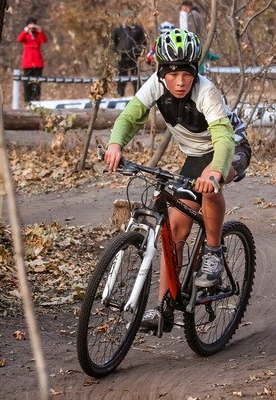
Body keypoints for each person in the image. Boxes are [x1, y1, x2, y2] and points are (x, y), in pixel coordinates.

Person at [104, 29, 251, 334]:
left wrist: (215, 172)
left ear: (195, 72)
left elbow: (223, 138)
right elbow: (131, 117)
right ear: (162, 72)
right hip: (196, 155)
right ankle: (162, 309)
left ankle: (213, 253)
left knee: (210, 187)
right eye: (173, 75)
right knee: (175, 229)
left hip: (229, 146)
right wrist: (116, 144)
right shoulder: (155, 85)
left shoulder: (206, 91)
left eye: (186, 74)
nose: (180, 81)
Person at [111, 10, 148, 97]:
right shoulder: (119, 30)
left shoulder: (138, 29)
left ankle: (138, 96)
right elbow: (113, 43)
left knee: (136, 78)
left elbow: (143, 42)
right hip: (122, 57)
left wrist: (140, 54)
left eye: (131, 17)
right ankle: (120, 95)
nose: (129, 19)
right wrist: (117, 52)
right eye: (128, 17)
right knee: (121, 77)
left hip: (134, 57)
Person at [17, 17, 48, 104]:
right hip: (27, 62)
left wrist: (40, 31)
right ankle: (27, 102)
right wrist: (26, 31)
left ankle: (36, 102)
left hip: (38, 62)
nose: (32, 28)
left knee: (37, 84)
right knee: (27, 84)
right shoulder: (25, 35)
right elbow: (19, 39)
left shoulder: (38, 34)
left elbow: (44, 40)